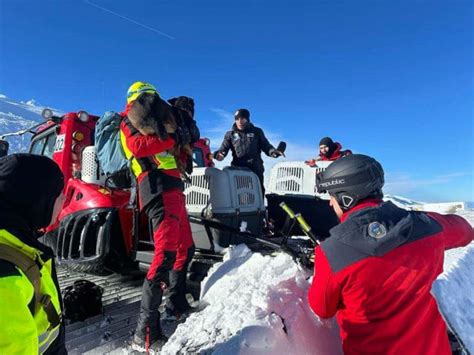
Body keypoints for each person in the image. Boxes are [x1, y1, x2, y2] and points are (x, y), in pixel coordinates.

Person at [308, 154, 473, 355]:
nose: (330, 203)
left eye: (331, 196)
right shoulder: (428, 226)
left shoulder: (330, 253)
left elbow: (322, 309)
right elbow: (465, 230)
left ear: (346, 197)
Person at [121, 82, 195, 353]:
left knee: (186, 248)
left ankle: (176, 304)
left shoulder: (160, 120)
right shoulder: (127, 121)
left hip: (173, 188)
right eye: (147, 98)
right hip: (157, 187)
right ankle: (146, 332)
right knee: (164, 255)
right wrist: (174, 138)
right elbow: (138, 146)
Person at [0, 153, 66, 354]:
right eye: (58, 195)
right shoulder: (6, 277)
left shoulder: (18, 245)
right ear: (38, 201)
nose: (64, 201)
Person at [213, 108, 284, 196]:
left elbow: (266, 146)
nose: (240, 121)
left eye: (242, 119)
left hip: (255, 169)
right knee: (239, 194)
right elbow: (223, 149)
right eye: (237, 119)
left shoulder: (257, 132)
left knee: (257, 192)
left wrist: (274, 152)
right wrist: (220, 154)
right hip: (238, 170)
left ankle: (259, 209)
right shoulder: (230, 135)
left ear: (247, 119)